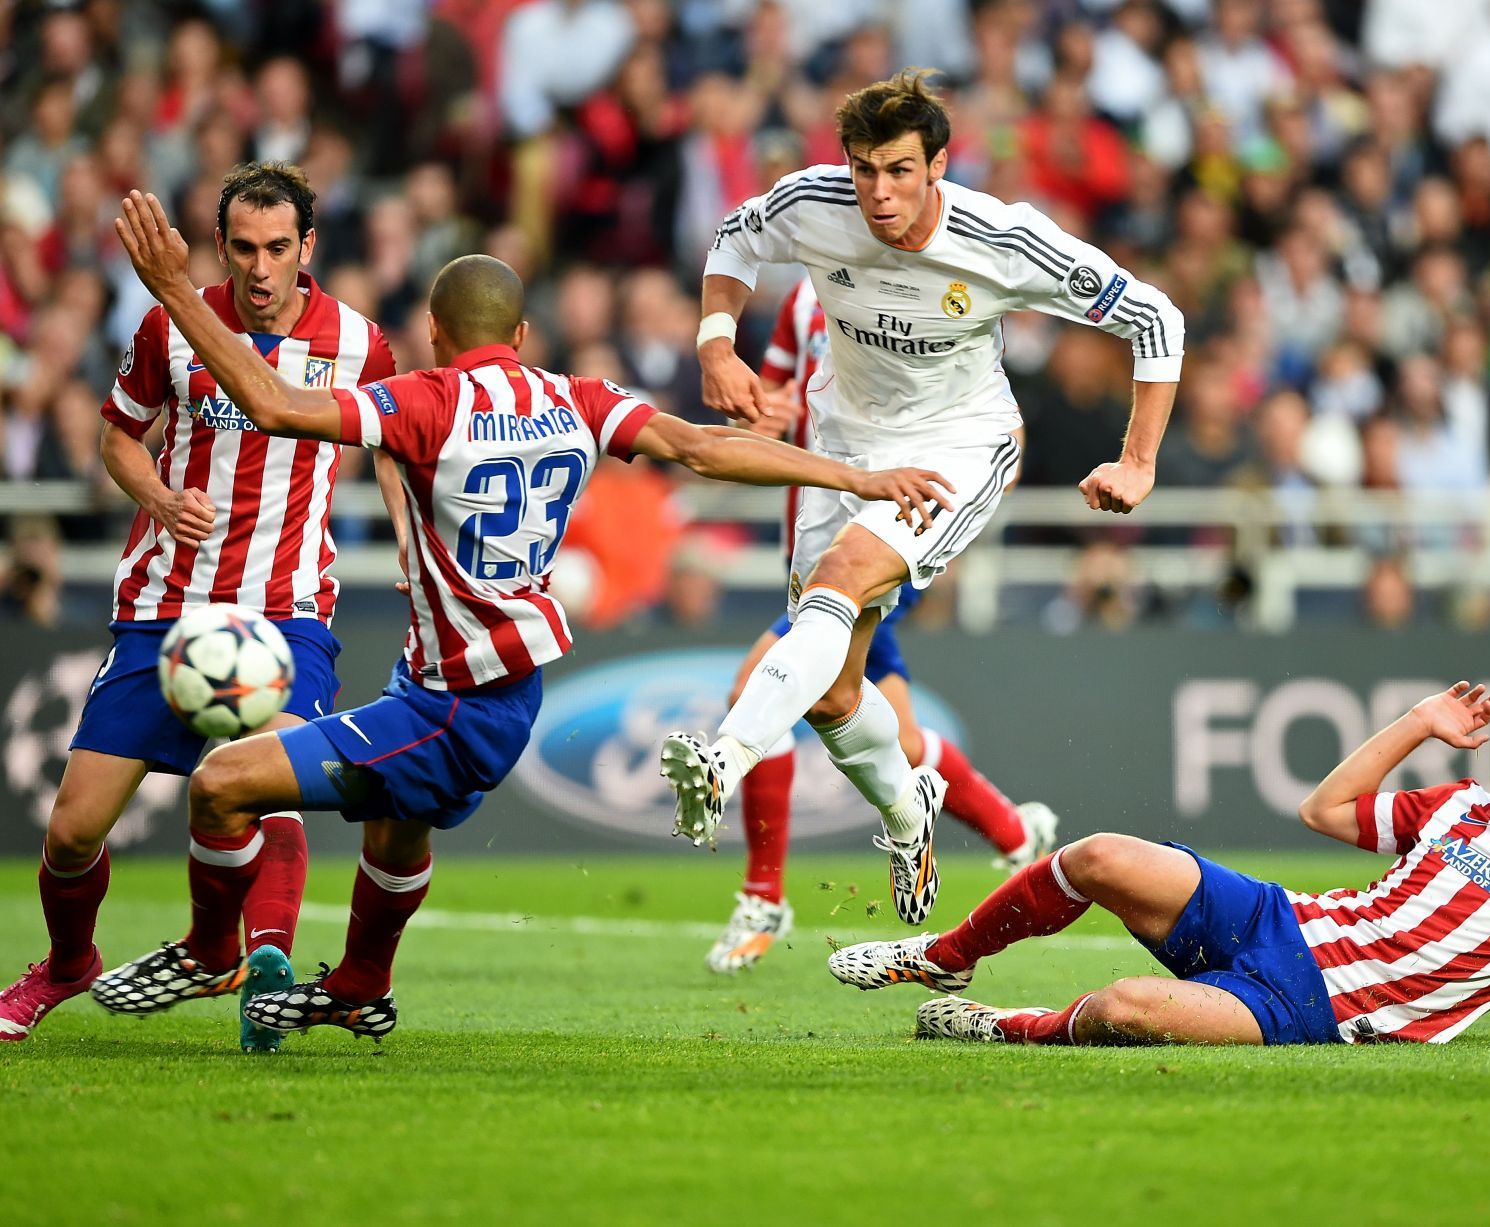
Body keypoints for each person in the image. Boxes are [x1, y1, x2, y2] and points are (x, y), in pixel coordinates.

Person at [90, 190, 953, 1044]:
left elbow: (275, 405)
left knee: (220, 784)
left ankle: (212, 951)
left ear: (435, 331)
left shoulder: (421, 400)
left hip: (454, 703)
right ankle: (360, 985)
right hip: (495, 686)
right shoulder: (574, 397)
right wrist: (855, 479)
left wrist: (172, 289)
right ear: (522, 336)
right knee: (396, 831)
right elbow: (702, 446)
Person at [660, 69, 1184, 927]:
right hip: (842, 437)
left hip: (959, 444)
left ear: (938, 164)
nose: (877, 191)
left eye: (899, 170)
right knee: (834, 694)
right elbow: (734, 238)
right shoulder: (815, 203)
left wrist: (1137, 459)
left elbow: (1157, 319)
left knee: (841, 576)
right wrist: (717, 347)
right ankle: (910, 816)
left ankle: (724, 758)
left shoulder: (1004, 242)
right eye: (864, 169)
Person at [827, 681, 1490, 1048]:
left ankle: (1001, 1029)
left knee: (1126, 1007)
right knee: (1101, 854)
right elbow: (1322, 808)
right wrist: (1417, 722)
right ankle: (950, 959)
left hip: (1316, 1008)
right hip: (1277, 920)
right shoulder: (1463, 806)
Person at [0, 163, 397, 1051]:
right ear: (221, 248)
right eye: (245, 249)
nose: (262, 269)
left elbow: (399, 448)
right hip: (164, 611)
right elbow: (117, 435)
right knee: (70, 833)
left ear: (310, 248)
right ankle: (68, 963)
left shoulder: (362, 344)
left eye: (279, 249)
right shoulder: (168, 326)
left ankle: (264, 968)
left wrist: (412, 544)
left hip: (285, 614)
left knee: (268, 786)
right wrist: (157, 495)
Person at [707, 277, 1058, 974]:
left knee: (759, 690)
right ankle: (1017, 830)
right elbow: (770, 404)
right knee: (890, 735)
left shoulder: (926, 287)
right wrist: (758, 409)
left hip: (873, 539)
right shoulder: (803, 303)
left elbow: (997, 421)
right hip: (812, 540)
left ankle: (763, 895)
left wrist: (965, 506)